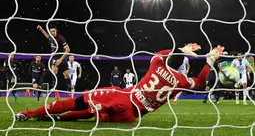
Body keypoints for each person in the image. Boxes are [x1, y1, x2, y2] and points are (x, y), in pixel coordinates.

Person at [15, 44, 227, 123]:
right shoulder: (181, 81)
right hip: (132, 116)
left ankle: (32, 113)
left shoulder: (156, 64)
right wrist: (209, 61)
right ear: (182, 66)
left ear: (169, 57)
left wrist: (181, 49)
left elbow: (160, 53)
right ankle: (57, 120)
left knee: (80, 102)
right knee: (92, 113)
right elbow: (199, 82)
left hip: (125, 96)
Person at [37, 25, 71, 100]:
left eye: (53, 31)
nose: (52, 33)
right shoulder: (51, 37)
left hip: (61, 57)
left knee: (67, 76)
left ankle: (69, 95)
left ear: (56, 31)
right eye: (51, 31)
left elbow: (68, 50)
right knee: (54, 74)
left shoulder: (60, 38)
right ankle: (56, 94)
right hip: (54, 58)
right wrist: (41, 29)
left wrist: (60, 60)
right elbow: (46, 35)